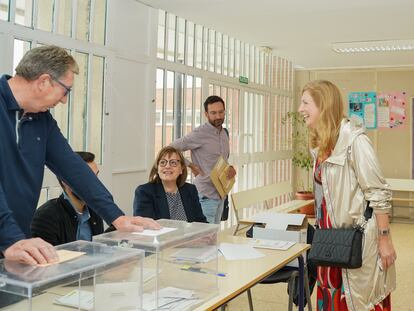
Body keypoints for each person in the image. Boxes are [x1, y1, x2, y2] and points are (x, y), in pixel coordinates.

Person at [0, 45, 160, 266]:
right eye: (66, 90)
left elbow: (74, 168)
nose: (64, 100)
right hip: (10, 238)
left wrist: (116, 217)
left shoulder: (41, 119)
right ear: (44, 81)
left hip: (14, 242)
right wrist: (10, 238)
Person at [298, 80, 396, 310]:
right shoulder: (321, 144)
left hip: (356, 242)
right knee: (331, 297)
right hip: (330, 243)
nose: (300, 109)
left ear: (324, 105)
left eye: (305, 102)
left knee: (359, 300)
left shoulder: (355, 140)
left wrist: (385, 239)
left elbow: (378, 192)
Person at [170, 95, 236, 223]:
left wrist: (230, 168)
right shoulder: (200, 133)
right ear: (206, 114)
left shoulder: (224, 133)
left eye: (221, 112)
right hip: (205, 196)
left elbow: (222, 161)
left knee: (214, 236)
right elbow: (171, 148)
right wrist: (190, 165)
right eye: (213, 113)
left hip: (221, 194)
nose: (218, 116)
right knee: (205, 239)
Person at [31, 152, 105, 245]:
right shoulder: (46, 217)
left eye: (96, 176)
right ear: (65, 181)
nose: (96, 183)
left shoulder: (95, 211)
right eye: (88, 177)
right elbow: (48, 258)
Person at [134, 146, 207, 223]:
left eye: (173, 163)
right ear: (157, 168)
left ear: (181, 169)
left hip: (190, 235)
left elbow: (201, 222)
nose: (167, 166)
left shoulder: (190, 190)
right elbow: (145, 226)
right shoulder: (145, 192)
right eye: (163, 162)